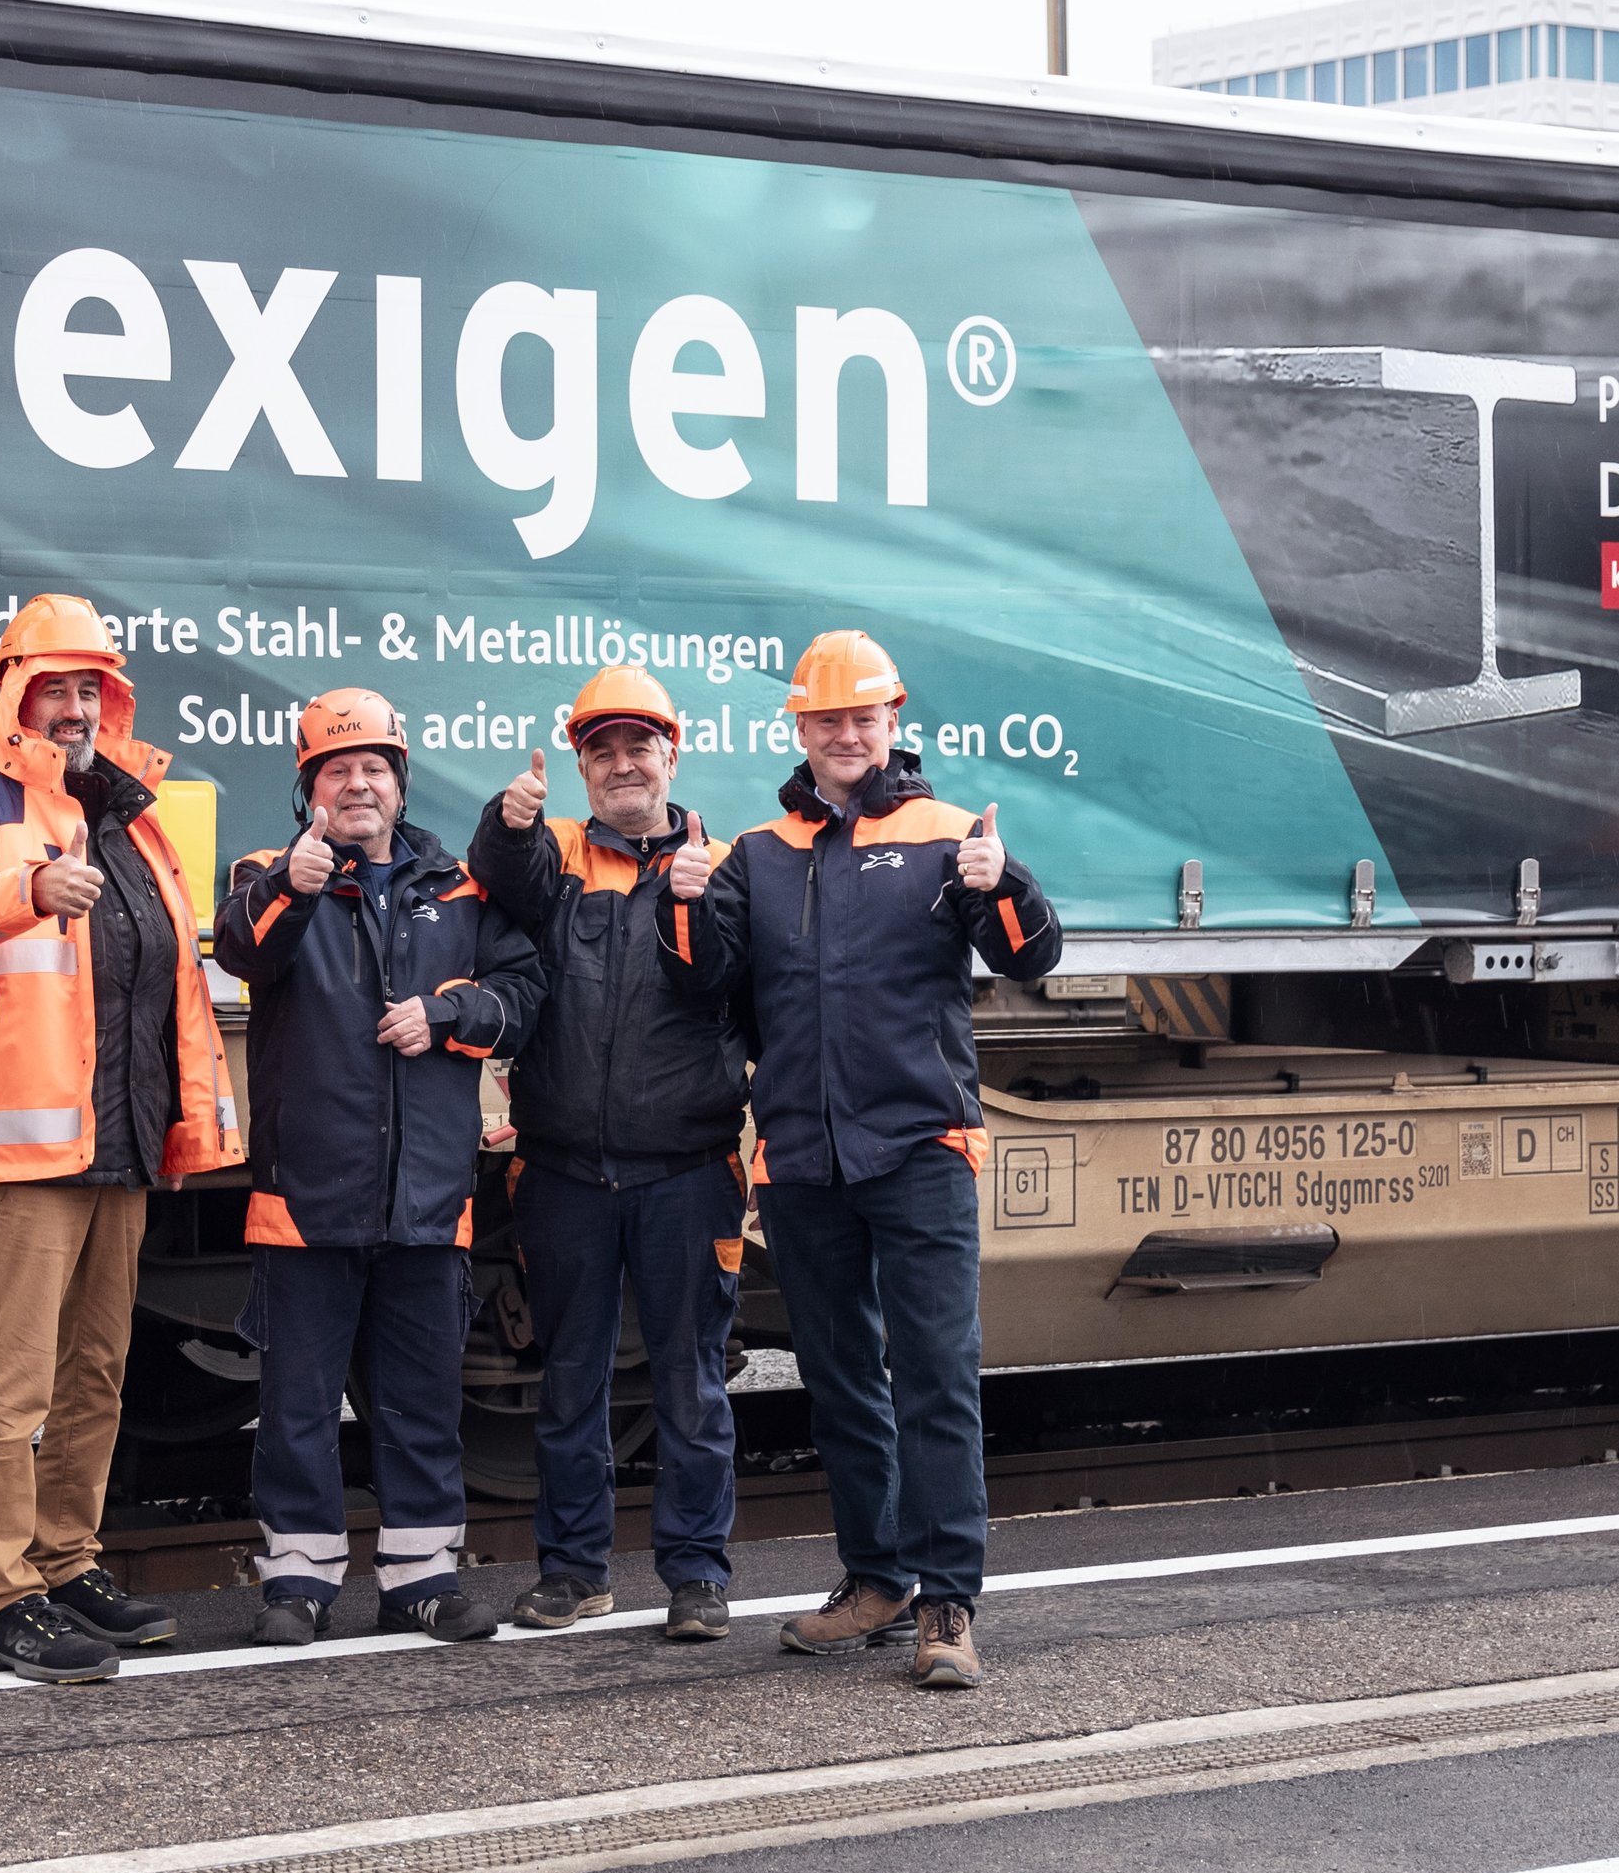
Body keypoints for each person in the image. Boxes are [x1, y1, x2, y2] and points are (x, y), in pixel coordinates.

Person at [666, 629, 1059, 1691]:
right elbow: (710, 985)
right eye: (825, 718)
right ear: (798, 728)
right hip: (804, 1156)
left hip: (921, 1146)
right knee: (839, 1381)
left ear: (892, 723)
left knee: (933, 1377)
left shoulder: (946, 835)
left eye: (862, 716)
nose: (845, 733)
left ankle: (946, 1603)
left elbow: (1029, 955)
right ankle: (874, 1580)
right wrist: (685, 902)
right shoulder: (755, 851)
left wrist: (1004, 878)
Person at [0, 593, 239, 1685]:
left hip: (124, 1139)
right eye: (51, 687)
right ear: (14, 694)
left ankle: (66, 1561)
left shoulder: (136, 820)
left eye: (88, 689)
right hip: (29, 1150)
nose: (71, 707)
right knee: (13, 1383)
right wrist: (29, 889)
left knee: (95, 1371)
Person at [213, 688, 545, 1646]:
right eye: (336, 770)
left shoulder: (461, 889)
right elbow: (241, 949)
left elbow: (522, 994)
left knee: (421, 1399)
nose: (357, 784)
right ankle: (297, 1584)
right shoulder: (269, 875)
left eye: (374, 769)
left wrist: (449, 1017)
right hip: (305, 1198)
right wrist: (295, 884)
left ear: (400, 786)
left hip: (429, 1199)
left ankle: (422, 1579)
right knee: (298, 1405)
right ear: (308, 788)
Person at [468, 664, 750, 1642]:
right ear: (582, 768)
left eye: (639, 746)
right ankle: (574, 1571)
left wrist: (700, 903)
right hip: (563, 1172)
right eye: (602, 750)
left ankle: (697, 1577)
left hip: (686, 1168)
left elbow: (751, 988)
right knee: (569, 1383)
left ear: (672, 753)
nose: (622, 763)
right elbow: (503, 876)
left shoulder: (725, 865)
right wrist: (504, 822)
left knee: (691, 1382)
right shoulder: (552, 860)